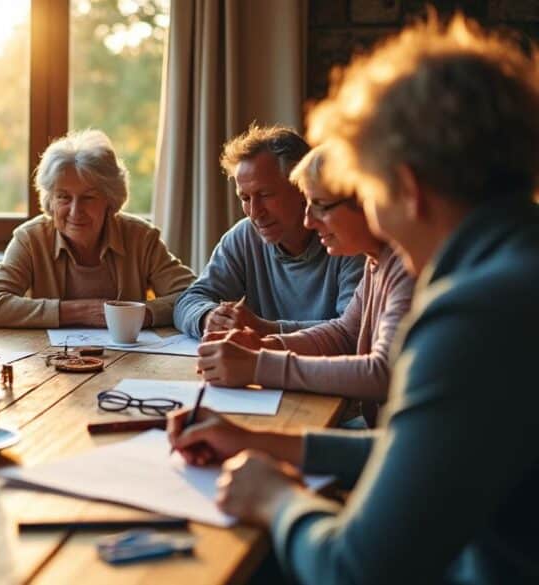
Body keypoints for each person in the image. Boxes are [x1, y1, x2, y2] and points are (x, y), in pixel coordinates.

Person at [169, 16, 539, 583]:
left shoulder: (475, 312)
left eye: (365, 186)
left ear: (408, 188)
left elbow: (353, 569)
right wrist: (259, 441)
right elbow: (419, 459)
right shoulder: (513, 263)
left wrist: (276, 499)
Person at [197, 146, 414, 426]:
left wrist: (258, 366)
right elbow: (345, 334)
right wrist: (265, 345)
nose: (309, 220)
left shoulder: (407, 265)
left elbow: (381, 373)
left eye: (320, 205)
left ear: (366, 199)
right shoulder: (379, 261)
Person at [0, 130, 195, 328]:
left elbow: (192, 296)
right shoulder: (31, 238)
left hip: (129, 359)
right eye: (64, 197)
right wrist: (79, 311)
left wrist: (139, 314)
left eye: (88, 197)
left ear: (110, 199)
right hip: (51, 361)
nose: (74, 211)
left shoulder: (140, 237)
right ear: (50, 199)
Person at [172, 125, 364, 339]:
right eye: (245, 198)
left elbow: (354, 331)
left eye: (265, 194)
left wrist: (267, 329)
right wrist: (208, 317)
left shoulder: (346, 239)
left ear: (303, 188)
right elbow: (189, 300)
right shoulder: (244, 237)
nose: (255, 213)